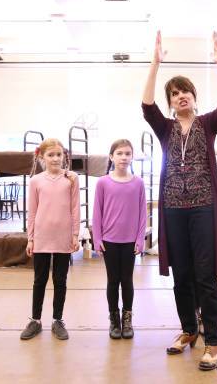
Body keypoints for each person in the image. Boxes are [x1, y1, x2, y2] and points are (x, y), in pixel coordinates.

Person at [142, 31, 217, 371]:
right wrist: (155, 63)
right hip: (172, 209)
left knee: (204, 275)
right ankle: (188, 329)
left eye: (184, 91)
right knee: (181, 274)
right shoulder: (165, 129)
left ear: (194, 97)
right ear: (170, 102)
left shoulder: (208, 123)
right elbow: (145, 105)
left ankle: (212, 338)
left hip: (202, 207)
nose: (180, 96)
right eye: (174, 93)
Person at [20, 139, 80, 341]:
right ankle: (35, 320)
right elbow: (32, 211)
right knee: (39, 280)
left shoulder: (71, 178)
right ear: (42, 157)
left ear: (64, 156)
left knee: (60, 280)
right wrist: (30, 238)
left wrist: (74, 235)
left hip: (63, 236)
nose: (55, 159)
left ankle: (58, 320)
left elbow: (75, 208)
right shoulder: (36, 181)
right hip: (42, 237)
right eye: (50, 155)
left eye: (59, 154)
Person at [92, 139, 147, 340]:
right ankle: (114, 319)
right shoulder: (103, 182)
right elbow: (97, 213)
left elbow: (143, 213)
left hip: (130, 242)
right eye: (120, 153)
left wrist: (140, 239)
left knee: (127, 280)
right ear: (111, 156)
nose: (124, 157)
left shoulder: (138, 183)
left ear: (132, 157)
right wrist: (97, 238)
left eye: (127, 153)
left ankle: (127, 319)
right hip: (110, 241)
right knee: (113, 281)